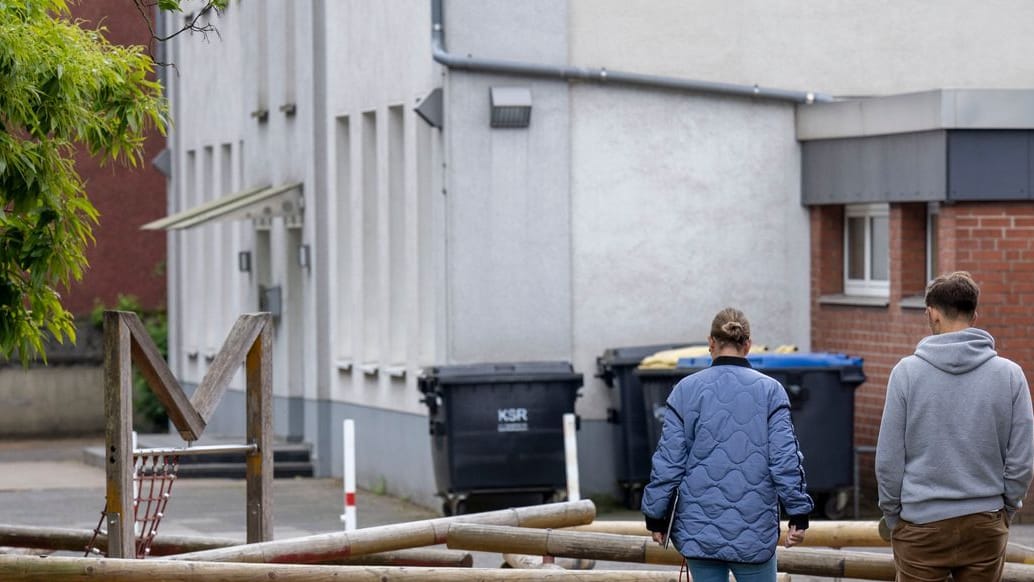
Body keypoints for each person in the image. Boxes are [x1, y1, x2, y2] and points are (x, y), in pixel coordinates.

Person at [876, 271, 1034, 582]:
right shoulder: (1010, 375)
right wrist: (1005, 509)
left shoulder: (906, 373)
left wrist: (894, 517)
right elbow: (1022, 459)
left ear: (931, 313)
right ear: (975, 314)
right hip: (985, 522)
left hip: (920, 524)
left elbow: (888, 461)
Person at [641, 307, 814, 582]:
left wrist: (657, 516)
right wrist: (798, 512)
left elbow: (668, 462)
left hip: (699, 528)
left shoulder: (685, 390)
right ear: (748, 344)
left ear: (711, 343)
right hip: (754, 529)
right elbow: (785, 460)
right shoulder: (771, 391)